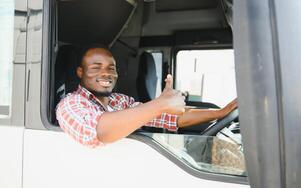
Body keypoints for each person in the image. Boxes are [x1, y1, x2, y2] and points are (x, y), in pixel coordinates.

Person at [56, 46, 237, 148]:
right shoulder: (69, 105)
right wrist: (160, 104)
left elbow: (171, 117)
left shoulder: (120, 101)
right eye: (96, 67)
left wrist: (221, 113)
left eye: (111, 68)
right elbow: (97, 132)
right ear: (80, 72)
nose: (106, 73)